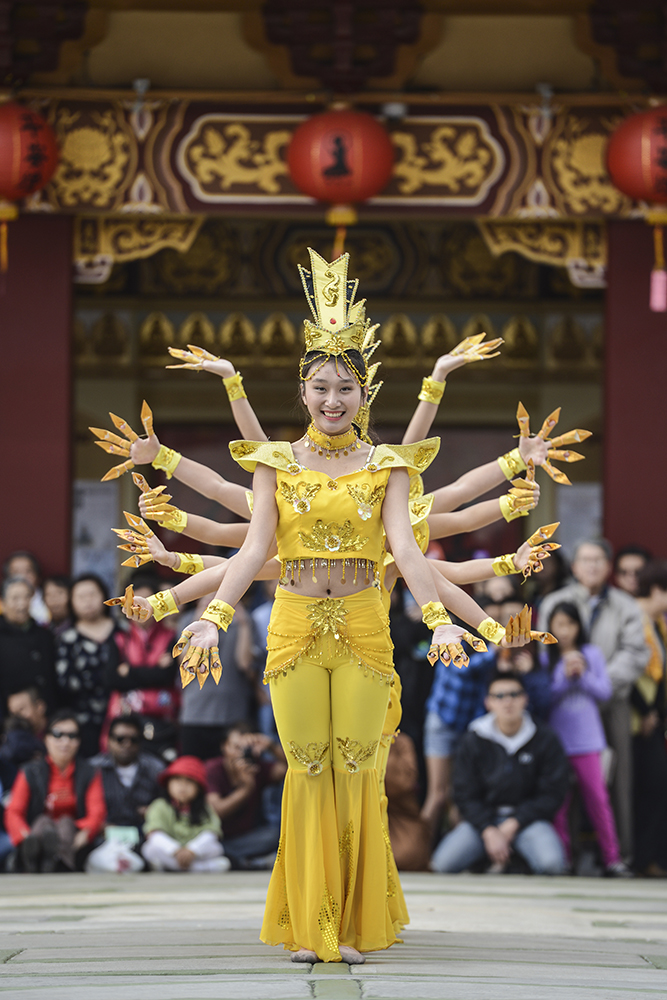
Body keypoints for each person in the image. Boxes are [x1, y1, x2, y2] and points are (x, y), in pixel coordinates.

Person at [121, 249, 538, 964]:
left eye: (345, 387)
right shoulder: (275, 465)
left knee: (356, 767)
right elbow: (249, 549)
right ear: (303, 392)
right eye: (320, 387)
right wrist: (212, 618)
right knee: (308, 766)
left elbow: (409, 553)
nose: (332, 399)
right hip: (292, 626)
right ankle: (312, 927)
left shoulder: (388, 467)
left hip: (365, 628)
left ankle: (351, 922)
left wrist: (440, 620)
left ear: (363, 393)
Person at [538, 539, 649, 861]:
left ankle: (619, 856)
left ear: (609, 566)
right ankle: (567, 855)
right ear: (574, 566)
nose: (592, 566)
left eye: (598, 560)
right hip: (563, 707)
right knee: (563, 784)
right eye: (585, 560)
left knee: (616, 782)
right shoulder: (555, 602)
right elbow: (544, 650)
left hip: (612, 701)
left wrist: (598, 681)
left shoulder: (626, 605)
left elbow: (636, 653)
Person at [431, 670, 568, 875]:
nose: (507, 702)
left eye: (514, 694)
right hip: (482, 824)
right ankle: (485, 860)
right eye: (499, 696)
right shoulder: (473, 739)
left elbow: (553, 793)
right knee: (443, 864)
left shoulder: (544, 738)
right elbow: (464, 793)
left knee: (552, 865)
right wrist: (488, 829)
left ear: (525, 699)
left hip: (527, 822)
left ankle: (517, 861)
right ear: (488, 702)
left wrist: (515, 822)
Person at [545, 602, 628, 877]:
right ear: (550, 626)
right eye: (559, 624)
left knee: (598, 801)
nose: (565, 630)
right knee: (559, 805)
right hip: (556, 743)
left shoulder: (591, 654)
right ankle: (563, 860)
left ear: (579, 626)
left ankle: (612, 859)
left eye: (570, 624)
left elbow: (605, 692)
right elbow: (544, 698)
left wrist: (583, 675)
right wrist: (565, 676)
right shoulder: (546, 656)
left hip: (589, 741)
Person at [5, 709, 105, 871]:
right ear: (46, 738)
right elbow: (14, 811)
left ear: (79, 741)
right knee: (43, 823)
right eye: (58, 735)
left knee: (64, 824)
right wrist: (25, 837)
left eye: (72, 736)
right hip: (36, 832)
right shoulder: (30, 771)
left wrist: (84, 834)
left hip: (72, 836)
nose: (65, 742)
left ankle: (57, 861)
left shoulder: (89, 772)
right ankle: (37, 858)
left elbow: (97, 812)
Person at [104, 573, 179, 759]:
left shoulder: (171, 636)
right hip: (125, 716)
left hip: (162, 719)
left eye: (147, 600)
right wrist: (154, 671)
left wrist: (129, 671)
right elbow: (112, 679)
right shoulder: (119, 637)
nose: (141, 607)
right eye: (135, 602)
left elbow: (167, 676)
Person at [179, 596, 257, 759]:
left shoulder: (243, 620)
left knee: (232, 768)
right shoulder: (188, 620)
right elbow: (187, 662)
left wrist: (244, 624)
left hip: (232, 713)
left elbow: (244, 663)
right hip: (195, 712)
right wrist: (198, 621)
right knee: (193, 767)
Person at [87, 713, 164, 873]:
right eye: (120, 739)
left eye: (133, 740)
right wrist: (97, 823)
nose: (127, 744)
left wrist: (153, 812)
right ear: (108, 740)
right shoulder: (93, 768)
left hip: (143, 836)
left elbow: (166, 804)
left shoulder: (155, 769)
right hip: (104, 836)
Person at [205, 722, 286, 869]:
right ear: (224, 746)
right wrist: (246, 788)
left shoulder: (257, 767)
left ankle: (233, 859)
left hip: (245, 839)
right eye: (236, 747)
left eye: (245, 748)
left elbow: (291, 768)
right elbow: (216, 811)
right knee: (208, 842)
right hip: (213, 837)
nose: (240, 754)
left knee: (276, 835)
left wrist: (271, 746)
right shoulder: (213, 769)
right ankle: (239, 860)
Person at [55, 575, 119, 757]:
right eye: (81, 597)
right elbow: (64, 682)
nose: (87, 601)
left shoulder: (123, 631)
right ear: (71, 602)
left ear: (104, 596)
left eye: (92, 594)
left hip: (121, 714)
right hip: (83, 720)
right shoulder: (66, 639)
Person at [632, 561, 667, 876]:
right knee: (647, 788)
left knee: (653, 788)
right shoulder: (634, 618)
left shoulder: (658, 622)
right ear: (657, 589)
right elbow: (628, 671)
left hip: (653, 718)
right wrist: (646, 712)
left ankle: (649, 857)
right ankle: (640, 858)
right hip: (633, 717)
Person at [141, 756, 230, 872]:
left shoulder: (205, 808)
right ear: (168, 783)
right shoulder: (160, 806)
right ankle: (199, 868)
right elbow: (155, 834)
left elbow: (211, 833)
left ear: (199, 788)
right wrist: (175, 850)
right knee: (149, 848)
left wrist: (193, 850)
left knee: (216, 848)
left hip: (195, 853)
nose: (182, 786)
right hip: (171, 852)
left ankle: (172, 867)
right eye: (177, 780)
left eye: (189, 781)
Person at [0, 577, 57, 713]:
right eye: (15, 598)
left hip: (44, 711)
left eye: (26, 597)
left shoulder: (45, 634)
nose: (22, 604)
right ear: (2, 602)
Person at [2, 551, 49, 625]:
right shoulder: (1, 604)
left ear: (37, 576)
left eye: (28, 571)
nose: (22, 576)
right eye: (16, 572)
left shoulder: (49, 600)